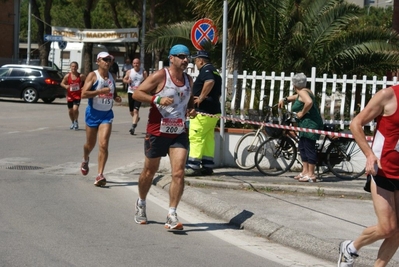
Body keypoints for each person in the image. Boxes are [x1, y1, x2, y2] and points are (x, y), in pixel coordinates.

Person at [132, 44, 196, 230]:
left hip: (178, 133)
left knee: (178, 172)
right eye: (182, 56)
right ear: (172, 58)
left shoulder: (188, 80)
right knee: (149, 171)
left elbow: (190, 102)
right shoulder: (161, 76)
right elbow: (137, 93)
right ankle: (141, 202)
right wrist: (157, 99)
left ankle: (172, 214)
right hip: (157, 132)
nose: (186, 60)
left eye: (187, 57)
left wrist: (192, 110)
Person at [337, 85, 399, 266]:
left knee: (398, 231)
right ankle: (350, 248)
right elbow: (355, 124)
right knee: (387, 228)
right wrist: (369, 154)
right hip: (382, 170)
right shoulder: (388, 96)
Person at [80, 51, 122, 187]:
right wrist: (99, 92)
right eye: (104, 59)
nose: (107, 62)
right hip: (93, 114)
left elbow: (113, 92)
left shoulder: (112, 77)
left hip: (106, 115)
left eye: (109, 59)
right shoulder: (93, 75)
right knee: (90, 145)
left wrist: (116, 97)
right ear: (98, 61)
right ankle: (85, 158)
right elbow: (83, 94)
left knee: (103, 144)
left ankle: (100, 174)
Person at [278, 72, 323, 182]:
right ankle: (305, 172)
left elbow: (309, 101)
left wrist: (302, 113)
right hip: (305, 124)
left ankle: (311, 174)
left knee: (309, 148)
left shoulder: (303, 92)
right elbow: (297, 97)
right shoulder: (303, 92)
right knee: (302, 148)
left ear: (294, 85)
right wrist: (285, 99)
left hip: (311, 124)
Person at [185, 50, 221, 176]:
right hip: (214, 111)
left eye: (196, 60)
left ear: (200, 60)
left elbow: (209, 82)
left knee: (196, 137)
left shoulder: (207, 71)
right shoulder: (215, 71)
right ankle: (207, 165)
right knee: (208, 139)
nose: (195, 63)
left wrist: (200, 97)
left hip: (203, 112)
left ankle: (193, 166)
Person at [122, 58, 148, 135]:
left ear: (140, 64)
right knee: (131, 111)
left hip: (139, 93)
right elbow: (124, 79)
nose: (136, 65)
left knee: (136, 110)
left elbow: (147, 81)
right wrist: (127, 81)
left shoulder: (143, 72)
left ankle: (133, 127)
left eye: (137, 63)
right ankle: (136, 119)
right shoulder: (129, 71)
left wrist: (144, 87)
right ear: (132, 64)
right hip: (131, 92)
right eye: (134, 63)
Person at [61, 61, 86, 130]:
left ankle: (76, 121)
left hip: (77, 95)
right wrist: (65, 86)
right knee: (70, 111)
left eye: (75, 66)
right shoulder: (67, 76)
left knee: (75, 109)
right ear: (70, 67)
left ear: (77, 67)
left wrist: (84, 87)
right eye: (72, 66)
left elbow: (88, 81)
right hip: (70, 96)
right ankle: (72, 122)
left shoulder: (81, 76)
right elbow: (62, 83)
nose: (74, 68)